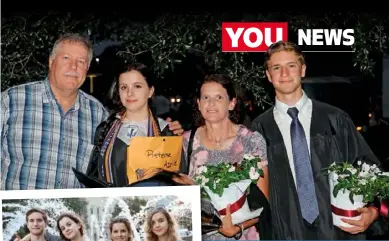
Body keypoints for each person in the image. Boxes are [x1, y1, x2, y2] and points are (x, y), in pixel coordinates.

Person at [1, 33, 183, 190]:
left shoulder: (98, 114)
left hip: (73, 222)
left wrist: (170, 132)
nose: (73, 67)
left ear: (87, 68)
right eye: (66, 58)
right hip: (20, 218)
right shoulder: (12, 100)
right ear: (51, 62)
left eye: (81, 61)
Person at [251, 40, 387, 239]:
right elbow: (257, 191)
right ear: (268, 76)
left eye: (291, 66)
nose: (284, 74)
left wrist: (374, 211)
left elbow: (368, 167)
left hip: (337, 230)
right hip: (287, 232)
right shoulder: (260, 128)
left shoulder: (335, 119)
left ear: (303, 70)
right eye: (276, 68)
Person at [173, 74, 272, 240]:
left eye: (219, 97)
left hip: (243, 235)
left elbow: (263, 202)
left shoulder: (251, 140)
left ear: (231, 103)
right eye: (206, 97)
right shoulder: (186, 141)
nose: (211, 104)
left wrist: (238, 227)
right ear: (198, 104)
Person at [83, 63, 187, 187]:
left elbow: (179, 184)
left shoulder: (167, 132)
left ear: (150, 91)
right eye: (123, 87)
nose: (129, 93)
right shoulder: (105, 131)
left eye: (137, 86)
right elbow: (95, 177)